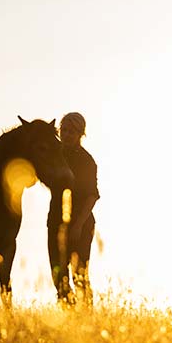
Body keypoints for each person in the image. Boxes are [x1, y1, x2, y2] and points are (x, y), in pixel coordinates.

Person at [48, 111, 99, 305]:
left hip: (81, 224)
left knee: (79, 274)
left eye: (72, 131)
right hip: (55, 221)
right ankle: (68, 314)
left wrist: (78, 225)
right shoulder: (55, 156)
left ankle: (85, 316)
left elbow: (92, 195)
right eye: (64, 130)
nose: (67, 134)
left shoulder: (86, 161)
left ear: (81, 134)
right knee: (57, 273)